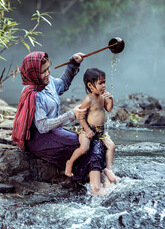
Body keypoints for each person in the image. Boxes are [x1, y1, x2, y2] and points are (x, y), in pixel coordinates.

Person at [12, 51, 107, 195]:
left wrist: (73, 64)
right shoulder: (33, 94)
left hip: (54, 131)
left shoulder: (47, 82)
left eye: (48, 69)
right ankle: (96, 188)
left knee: (94, 140)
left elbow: (62, 85)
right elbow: (43, 127)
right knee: (90, 145)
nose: (47, 74)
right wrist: (71, 114)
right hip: (39, 139)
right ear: (33, 73)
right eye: (43, 71)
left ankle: (97, 177)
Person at [65, 68, 117, 183]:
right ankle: (70, 162)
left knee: (112, 146)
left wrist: (111, 99)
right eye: (100, 83)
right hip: (86, 129)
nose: (104, 85)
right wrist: (88, 130)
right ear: (90, 85)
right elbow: (81, 117)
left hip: (100, 131)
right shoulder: (88, 99)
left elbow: (108, 109)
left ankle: (109, 169)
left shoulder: (103, 96)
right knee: (84, 148)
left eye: (104, 82)